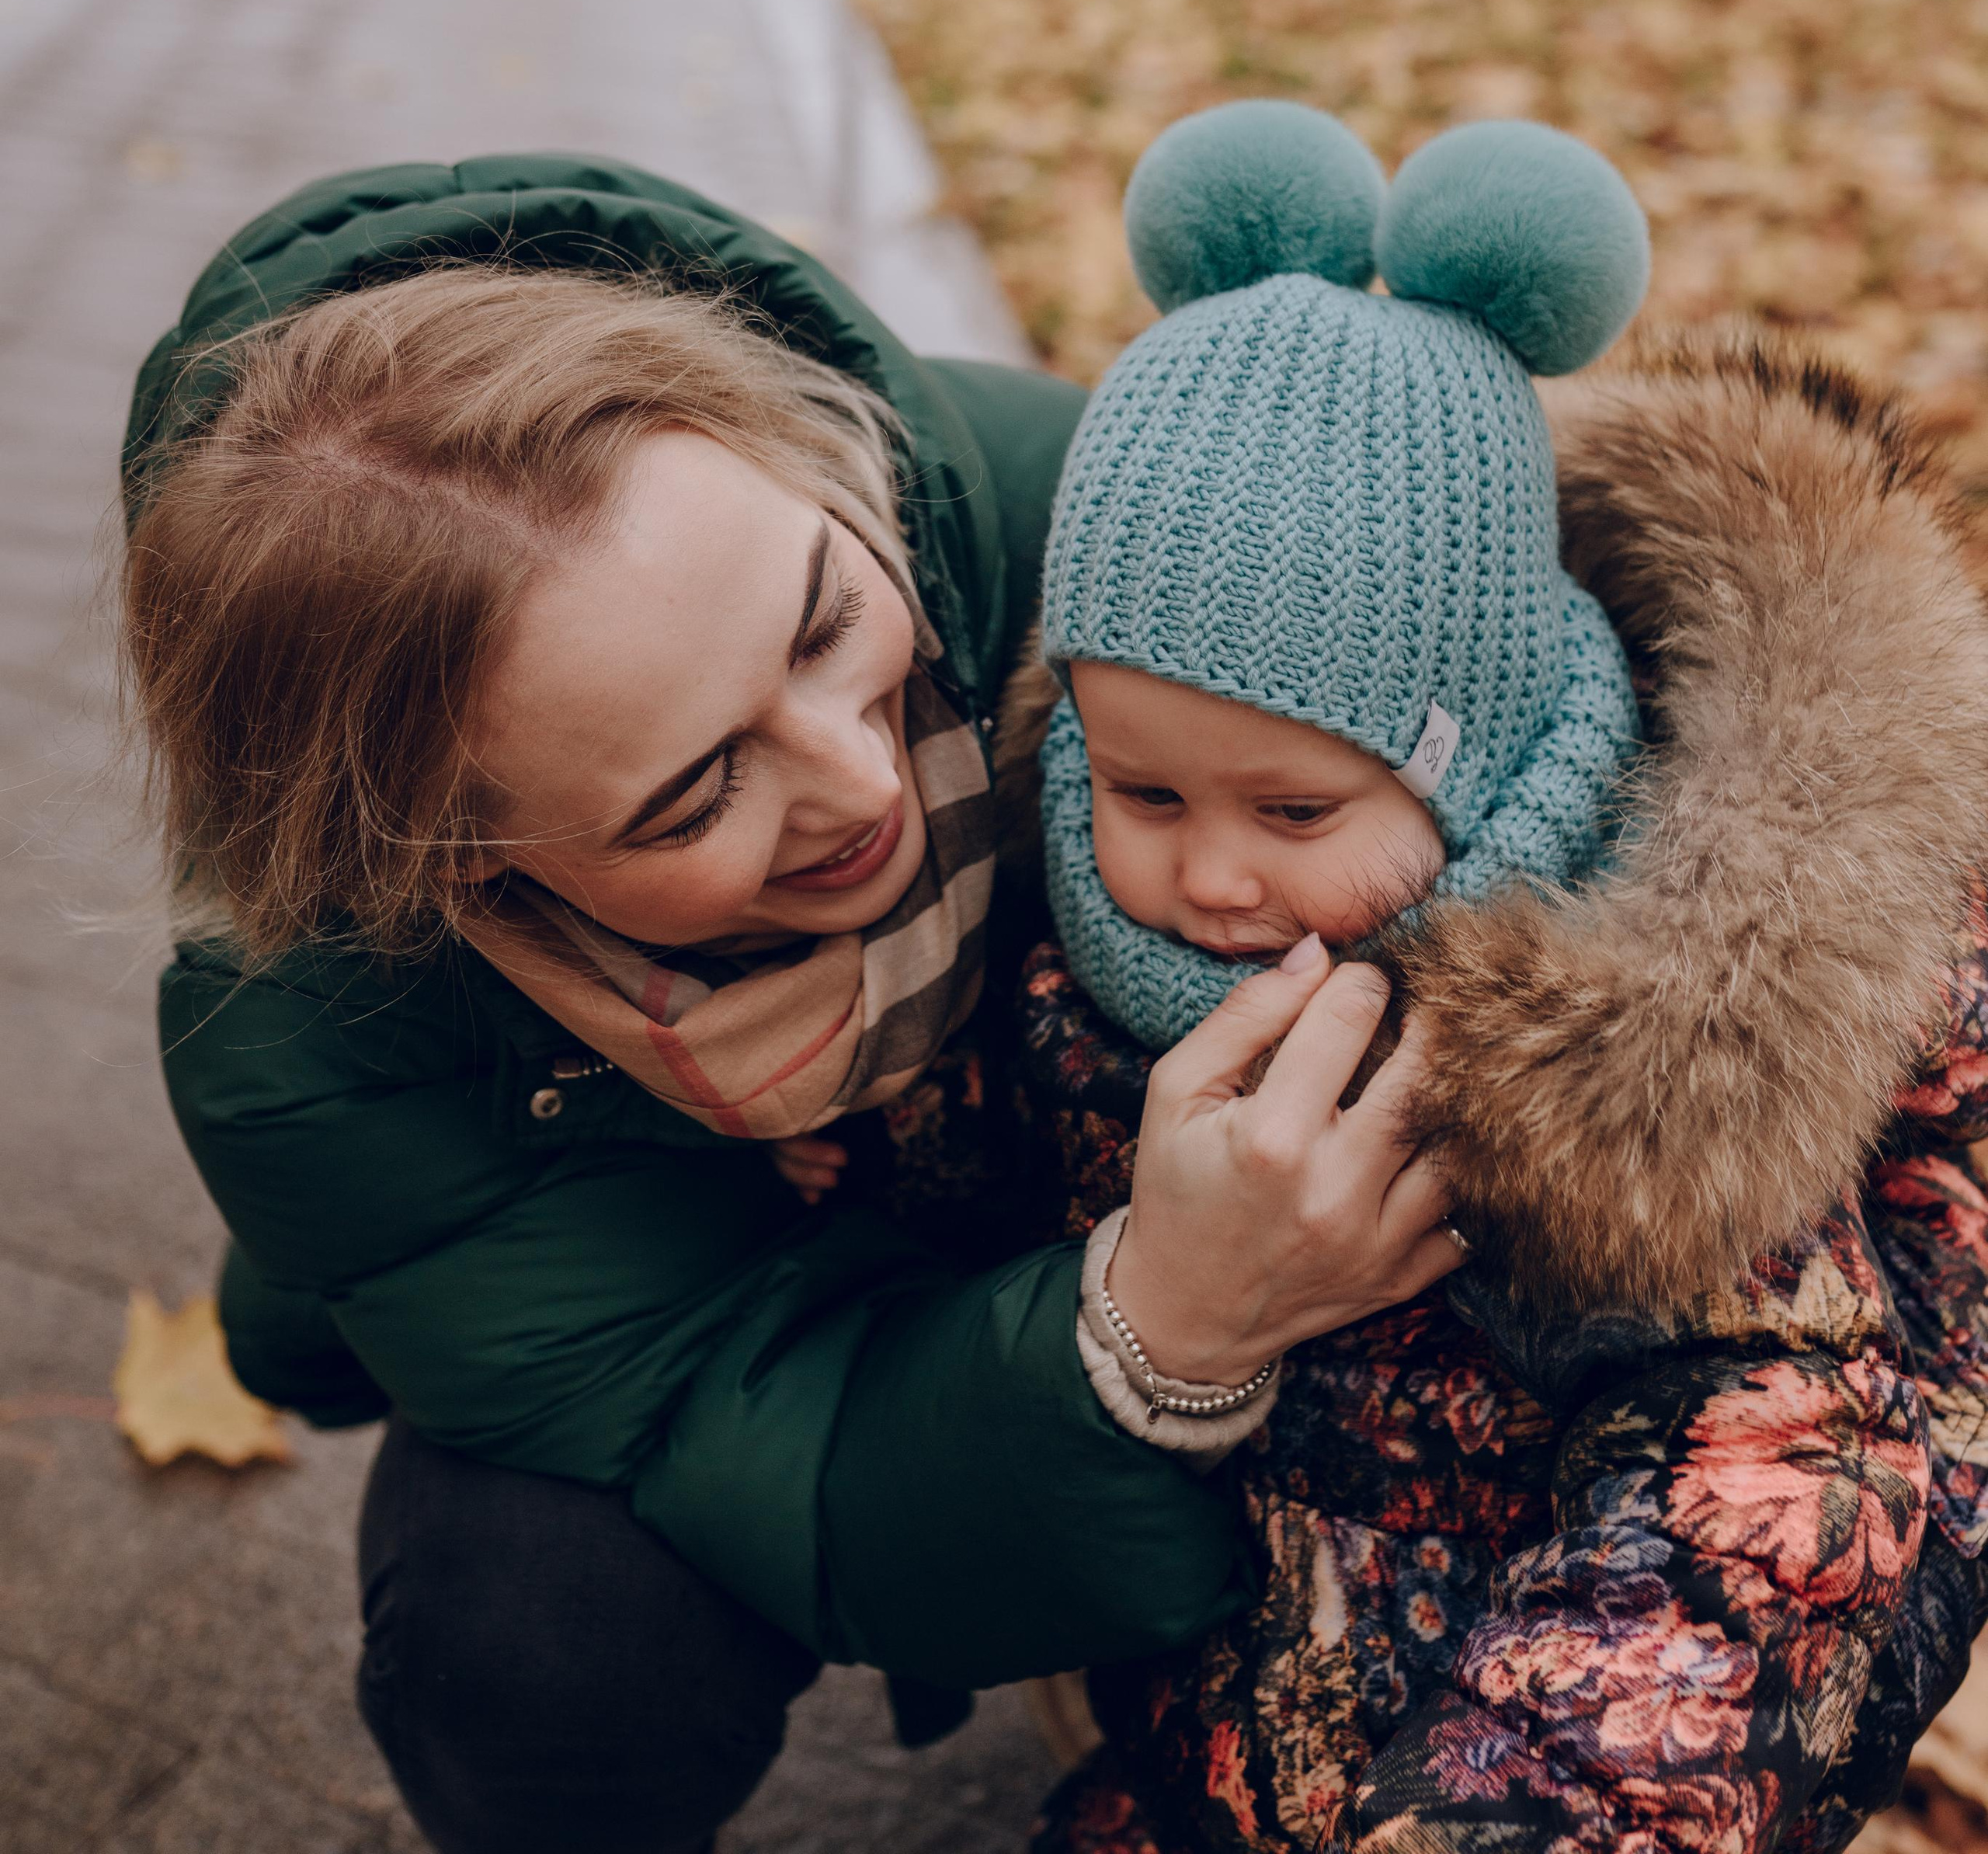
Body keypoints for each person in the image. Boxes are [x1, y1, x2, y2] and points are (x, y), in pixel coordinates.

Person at [127, 152, 1458, 1854]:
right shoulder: (317, 1038)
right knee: (528, 1633)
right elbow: (768, 1435)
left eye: (827, 619)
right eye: (689, 799)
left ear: (798, 447)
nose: (855, 780)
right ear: (443, 865)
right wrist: (1154, 1337)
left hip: (1033, 1201)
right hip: (664, 1281)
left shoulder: (1094, 515)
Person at [1011, 103, 1988, 1851]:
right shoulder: (1076, 950)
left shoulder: (1612, 1065)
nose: (1206, 872)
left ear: (1472, 766)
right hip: (1198, 1747)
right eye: (1139, 789)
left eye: (1294, 806)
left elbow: (1771, 1487)